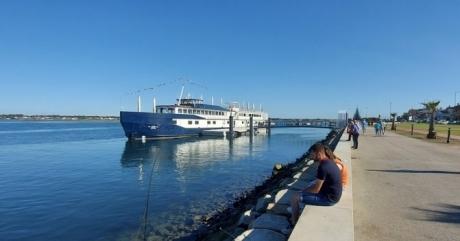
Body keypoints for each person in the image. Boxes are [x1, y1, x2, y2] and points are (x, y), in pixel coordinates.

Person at [290, 143, 342, 223]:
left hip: (329, 199)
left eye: (312, 154)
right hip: (332, 195)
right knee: (308, 188)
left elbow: (316, 190)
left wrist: (301, 192)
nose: (310, 156)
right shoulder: (329, 162)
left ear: (319, 154)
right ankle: (296, 211)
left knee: (294, 197)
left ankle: (293, 223)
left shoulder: (323, 167)